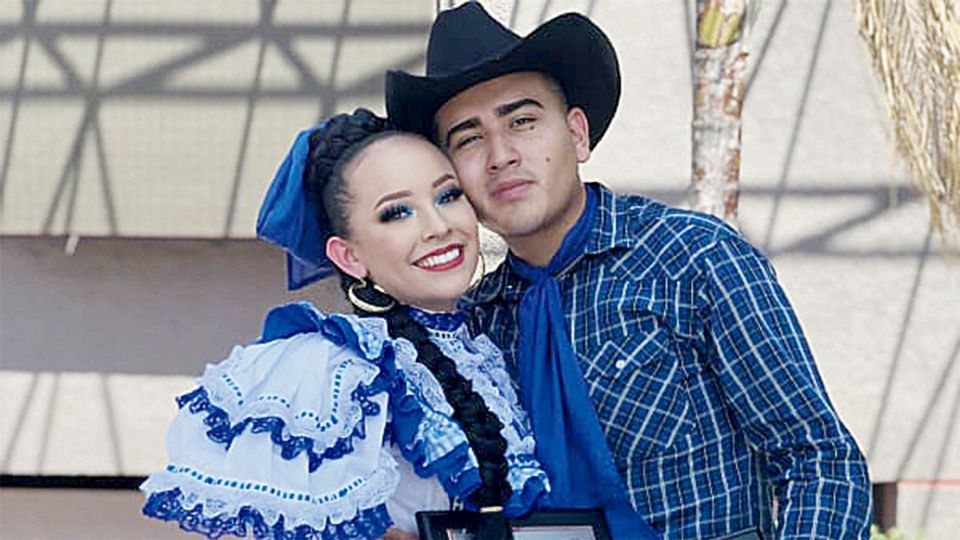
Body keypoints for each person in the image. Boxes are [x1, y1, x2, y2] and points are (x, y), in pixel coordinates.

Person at [385, 3, 872, 539]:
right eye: (469, 138)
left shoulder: (691, 257)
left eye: (522, 121)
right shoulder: (474, 326)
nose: (500, 155)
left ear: (577, 134)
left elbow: (818, 458)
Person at [139, 109, 550, 539]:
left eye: (447, 196)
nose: (438, 227)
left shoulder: (494, 345)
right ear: (348, 256)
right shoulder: (330, 367)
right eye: (396, 213)